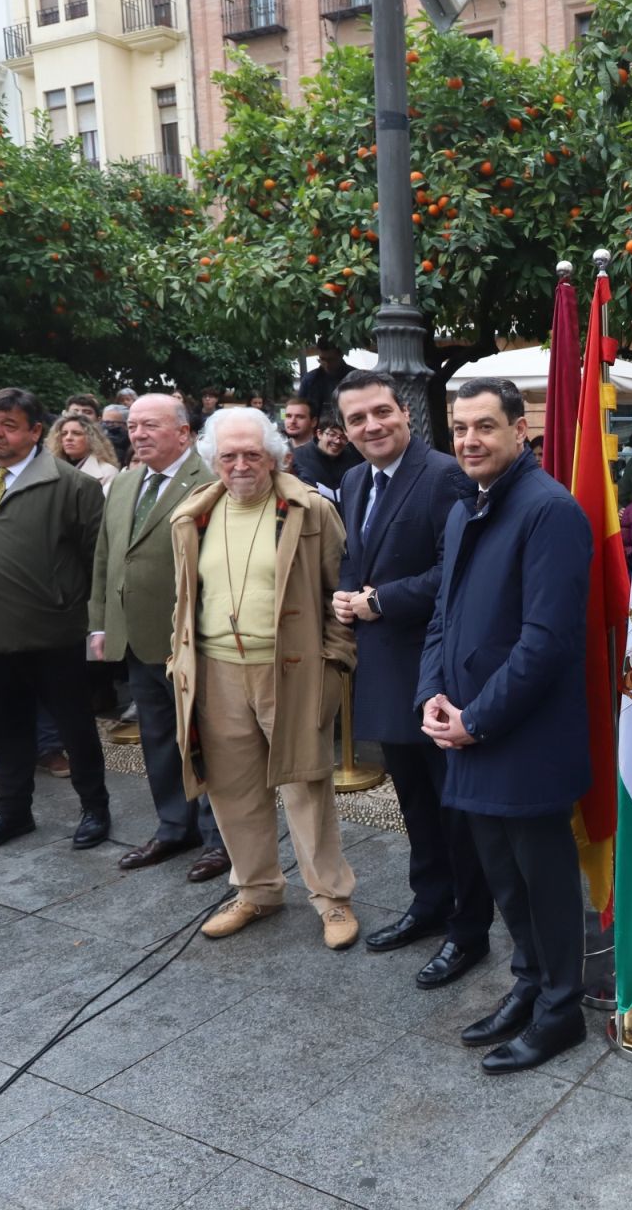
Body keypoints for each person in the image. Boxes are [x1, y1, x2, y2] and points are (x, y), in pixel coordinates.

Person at [417, 377, 593, 1074]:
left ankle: (561, 1012)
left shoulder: (550, 511)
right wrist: (431, 694)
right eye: (459, 428)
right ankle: (529, 984)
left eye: (485, 426)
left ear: (522, 431)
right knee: (505, 879)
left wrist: (476, 721)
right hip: (468, 731)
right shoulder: (469, 508)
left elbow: (545, 642)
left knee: (543, 883)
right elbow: (442, 614)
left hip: (522, 741)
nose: (468, 441)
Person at [169, 407, 360, 950]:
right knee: (232, 791)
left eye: (252, 453)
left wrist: (334, 666)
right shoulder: (193, 515)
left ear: (275, 456)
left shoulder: (311, 510)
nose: (240, 464)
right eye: (228, 455)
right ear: (213, 461)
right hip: (215, 672)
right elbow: (186, 598)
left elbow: (337, 598)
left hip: (291, 672)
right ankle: (256, 890)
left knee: (306, 787)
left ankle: (331, 898)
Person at [331, 371, 493, 981]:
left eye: (381, 413)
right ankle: (429, 904)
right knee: (414, 805)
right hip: (382, 671)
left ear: (405, 414)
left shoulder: (444, 473)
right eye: (357, 419)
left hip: (436, 674)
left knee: (454, 809)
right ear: (345, 430)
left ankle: (469, 929)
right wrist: (347, 595)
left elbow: (457, 571)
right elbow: (356, 559)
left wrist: (382, 599)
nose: (371, 426)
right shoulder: (352, 479)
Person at [0, 387, 110, 856]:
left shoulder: (73, 486)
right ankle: (13, 813)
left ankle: (94, 809)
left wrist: (72, 605)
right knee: (5, 727)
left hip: (52, 630)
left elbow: (97, 558)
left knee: (74, 726)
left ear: (34, 432)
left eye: (9, 425)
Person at [90, 394, 228, 881]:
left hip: (195, 640)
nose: (138, 434)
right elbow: (107, 558)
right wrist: (101, 625)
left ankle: (221, 838)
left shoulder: (211, 482)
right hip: (137, 638)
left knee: (208, 740)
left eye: (151, 425)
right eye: (132, 426)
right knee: (158, 738)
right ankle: (174, 826)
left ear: (184, 432)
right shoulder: (126, 483)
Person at [292, 413, 361, 502]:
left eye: (343, 437)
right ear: (319, 434)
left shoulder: (354, 457)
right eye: (332, 434)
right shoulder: (298, 457)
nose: (337, 441)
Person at [47, 414, 121, 494]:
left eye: (76, 433)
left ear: (92, 438)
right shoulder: (50, 468)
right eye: (64, 433)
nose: (68, 438)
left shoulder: (108, 472)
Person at [297, 343, 349, 425]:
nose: (327, 364)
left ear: (341, 356)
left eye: (331, 359)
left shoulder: (354, 378)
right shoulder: (309, 380)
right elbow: (299, 408)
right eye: (322, 359)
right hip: (317, 431)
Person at [99, 403, 133, 468]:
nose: (105, 426)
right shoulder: (98, 442)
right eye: (103, 422)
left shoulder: (132, 445)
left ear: (126, 424)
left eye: (111, 423)